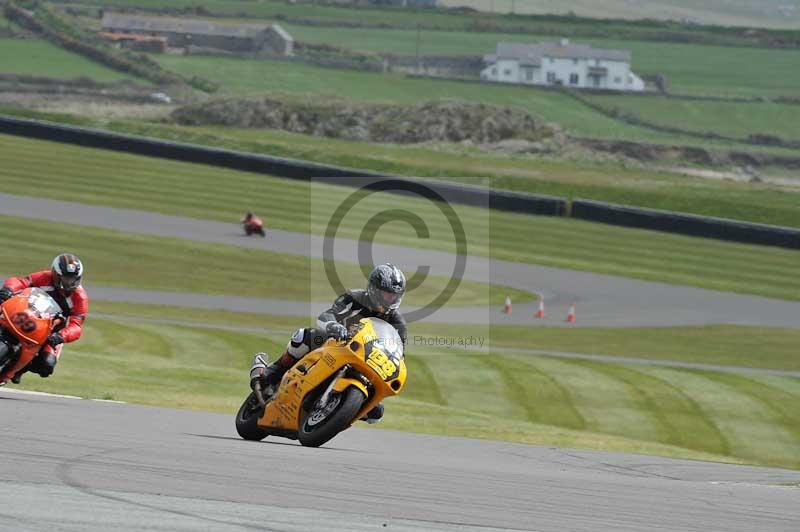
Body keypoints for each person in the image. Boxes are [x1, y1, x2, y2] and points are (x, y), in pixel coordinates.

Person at [250, 263, 407, 423]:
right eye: (387, 294)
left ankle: (338, 411)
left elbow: (399, 354)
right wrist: (335, 326)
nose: (390, 299)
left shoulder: (398, 323)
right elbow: (327, 315)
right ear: (374, 288)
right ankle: (272, 371)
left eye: (394, 296)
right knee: (304, 336)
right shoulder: (354, 298)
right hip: (335, 344)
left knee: (376, 413)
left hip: (366, 361)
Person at [0, 253, 88, 385]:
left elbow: (76, 326)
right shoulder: (44, 277)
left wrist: (60, 336)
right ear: (56, 274)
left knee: (47, 364)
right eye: (66, 278)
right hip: (27, 312)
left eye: (74, 279)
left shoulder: (80, 298)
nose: (70, 282)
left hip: (51, 330)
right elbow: (22, 282)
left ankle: (19, 370)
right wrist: (8, 289)